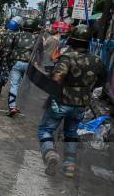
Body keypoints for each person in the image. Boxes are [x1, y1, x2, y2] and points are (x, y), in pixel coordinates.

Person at [38, 25, 105, 178]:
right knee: (71, 133)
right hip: (81, 105)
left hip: (61, 101)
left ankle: (50, 154)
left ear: (72, 40)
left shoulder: (68, 57)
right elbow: (102, 81)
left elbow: (57, 78)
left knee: (46, 130)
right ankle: (69, 165)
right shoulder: (97, 60)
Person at [7, 18, 39, 116]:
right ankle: (19, 106)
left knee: (14, 85)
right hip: (30, 65)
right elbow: (40, 52)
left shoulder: (17, 35)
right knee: (26, 87)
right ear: (34, 28)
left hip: (16, 63)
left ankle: (12, 107)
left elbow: (10, 48)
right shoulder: (37, 38)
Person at [0, 18, 20, 95]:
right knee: (6, 73)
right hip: (9, 57)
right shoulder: (17, 36)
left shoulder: (2, 34)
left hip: (0, 56)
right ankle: (1, 82)